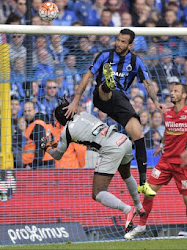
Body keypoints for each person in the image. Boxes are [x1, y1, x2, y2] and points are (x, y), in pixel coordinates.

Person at [65, 28, 165, 195]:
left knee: (138, 135)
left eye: (123, 42)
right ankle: (108, 82)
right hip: (101, 96)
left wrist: (156, 102)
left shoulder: (135, 61)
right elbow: (88, 76)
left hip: (120, 103)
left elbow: (147, 83)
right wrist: (76, 101)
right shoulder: (105, 55)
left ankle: (143, 183)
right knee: (107, 89)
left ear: (130, 44)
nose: (118, 44)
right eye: (118, 40)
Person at [41, 97, 145, 232]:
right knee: (126, 174)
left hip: (111, 149)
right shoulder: (84, 114)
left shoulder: (65, 132)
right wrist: (59, 143)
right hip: (122, 140)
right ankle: (139, 206)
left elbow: (58, 155)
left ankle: (127, 209)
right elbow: (83, 133)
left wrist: (47, 148)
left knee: (97, 193)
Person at [124, 83, 187, 240]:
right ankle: (142, 226)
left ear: (184, 96)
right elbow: (168, 130)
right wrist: (162, 144)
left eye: (176, 91)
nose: (172, 93)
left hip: (183, 165)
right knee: (149, 193)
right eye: (172, 91)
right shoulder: (167, 113)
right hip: (165, 162)